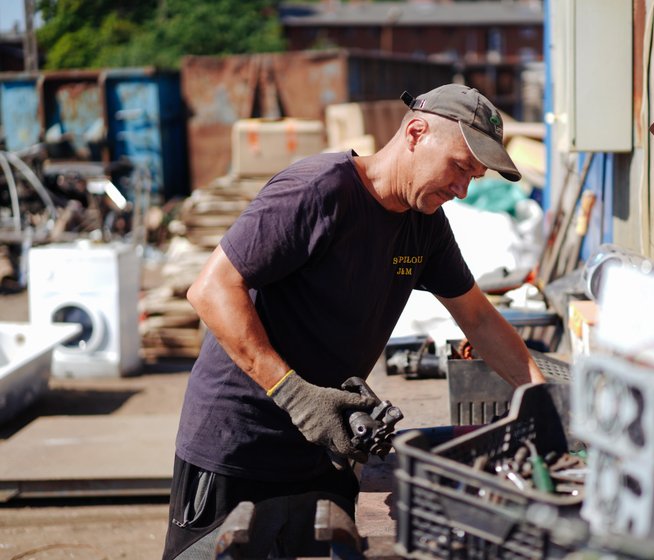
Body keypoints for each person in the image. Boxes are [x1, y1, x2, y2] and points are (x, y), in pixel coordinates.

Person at [162, 83, 546, 559]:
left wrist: (541, 400)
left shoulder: (423, 223)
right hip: (238, 445)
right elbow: (211, 289)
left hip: (324, 445)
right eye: (460, 167)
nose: (462, 189)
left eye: (474, 177)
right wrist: (294, 394)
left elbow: (479, 318)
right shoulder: (318, 191)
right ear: (416, 132)